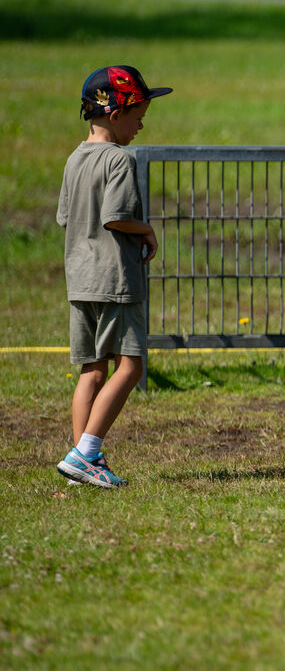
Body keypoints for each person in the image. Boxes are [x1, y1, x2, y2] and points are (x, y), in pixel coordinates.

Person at [55, 65, 169, 488]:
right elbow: (117, 217)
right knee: (132, 366)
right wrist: (148, 229)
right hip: (115, 280)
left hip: (80, 278)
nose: (142, 124)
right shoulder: (119, 159)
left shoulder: (74, 158)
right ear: (115, 113)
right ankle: (87, 453)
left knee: (92, 370)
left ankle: (79, 464)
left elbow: (66, 217)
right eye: (138, 114)